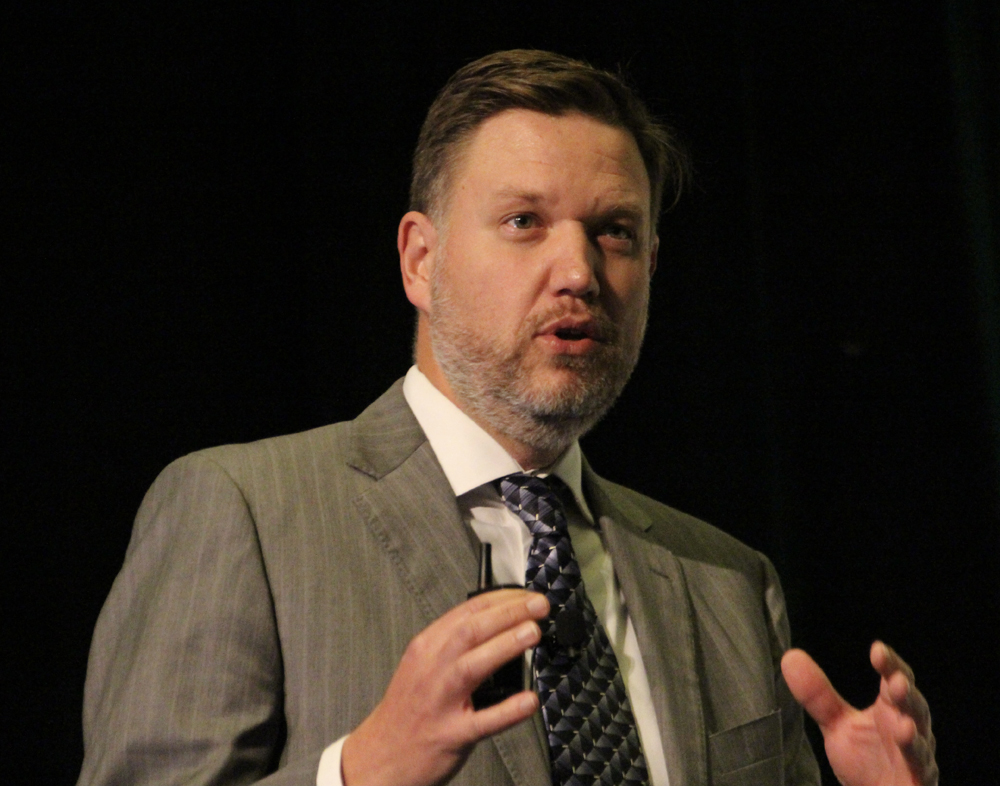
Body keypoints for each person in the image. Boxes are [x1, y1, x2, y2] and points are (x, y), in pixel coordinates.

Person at [77, 50, 937, 786]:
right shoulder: (243, 511)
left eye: (615, 233)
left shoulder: (728, 583)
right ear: (421, 259)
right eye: (525, 222)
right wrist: (362, 771)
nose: (579, 271)